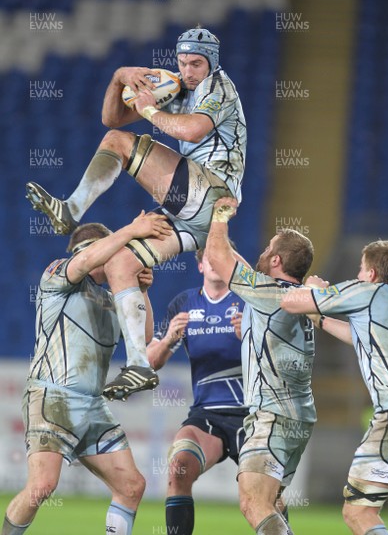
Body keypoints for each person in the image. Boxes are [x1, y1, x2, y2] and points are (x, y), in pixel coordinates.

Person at [26, 26, 247, 399]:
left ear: (212, 62)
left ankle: (71, 210)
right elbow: (112, 119)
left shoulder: (219, 89)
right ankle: (139, 366)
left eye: (197, 63)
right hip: (194, 217)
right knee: (120, 266)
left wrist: (147, 110)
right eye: (183, 62)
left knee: (119, 146)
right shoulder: (179, 87)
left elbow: (193, 130)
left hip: (211, 191)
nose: (189, 70)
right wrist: (118, 79)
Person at [1, 211, 171, 535]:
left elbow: (146, 335)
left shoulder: (112, 299)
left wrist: (143, 291)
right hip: (52, 398)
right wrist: (132, 230)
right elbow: (87, 261)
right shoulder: (58, 275)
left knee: (132, 485)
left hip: (92, 406)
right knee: (42, 487)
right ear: (93, 250)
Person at [205, 197, 316, 535]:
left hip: (273, 414)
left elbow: (219, 258)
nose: (263, 253)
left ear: (277, 259)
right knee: (274, 502)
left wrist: (219, 214)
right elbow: (238, 267)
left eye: (269, 249)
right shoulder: (291, 297)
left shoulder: (270, 294)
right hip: (298, 415)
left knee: (254, 503)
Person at [281, 239, 388, 535]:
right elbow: (362, 337)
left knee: (359, 512)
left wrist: (313, 289)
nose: (358, 275)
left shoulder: (368, 291)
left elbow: (290, 302)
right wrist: (320, 319)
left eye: (361, 269)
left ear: (371, 273)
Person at [146, 247, 245, 535]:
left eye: (221, 258)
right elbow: (152, 362)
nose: (214, 263)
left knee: (264, 495)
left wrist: (250, 335)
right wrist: (167, 341)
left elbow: (279, 356)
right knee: (179, 466)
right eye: (208, 259)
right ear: (200, 266)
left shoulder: (248, 301)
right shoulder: (184, 303)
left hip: (254, 414)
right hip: (207, 417)